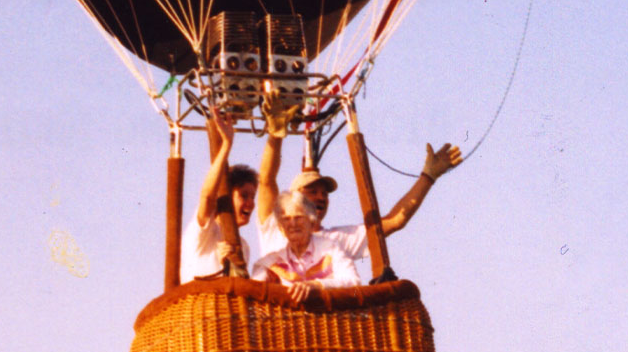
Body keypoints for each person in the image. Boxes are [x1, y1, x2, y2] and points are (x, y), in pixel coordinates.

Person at [256, 94, 464, 264]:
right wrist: (275, 134)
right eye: (313, 191)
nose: (321, 197)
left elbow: (395, 221)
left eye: (324, 193)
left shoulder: (337, 240)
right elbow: (266, 180)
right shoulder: (274, 227)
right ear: (295, 198)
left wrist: (428, 177)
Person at [180, 109, 257, 283]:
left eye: (253, 197)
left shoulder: (243, 246)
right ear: (227, 196)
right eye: (244, 196)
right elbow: (207, 196)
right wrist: (226, 146)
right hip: (198, 305)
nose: (251, 203)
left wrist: (234, 264)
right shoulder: (206, 230)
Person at [252, 191, 361, 303]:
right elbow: (254, 287)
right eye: (286, 219)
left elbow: (354, 282)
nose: (293, 224)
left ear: (312, 224)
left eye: (298, 217)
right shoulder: (272, 262)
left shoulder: (330, 249)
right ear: (281, 228)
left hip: (328, 317)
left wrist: (316, 285)